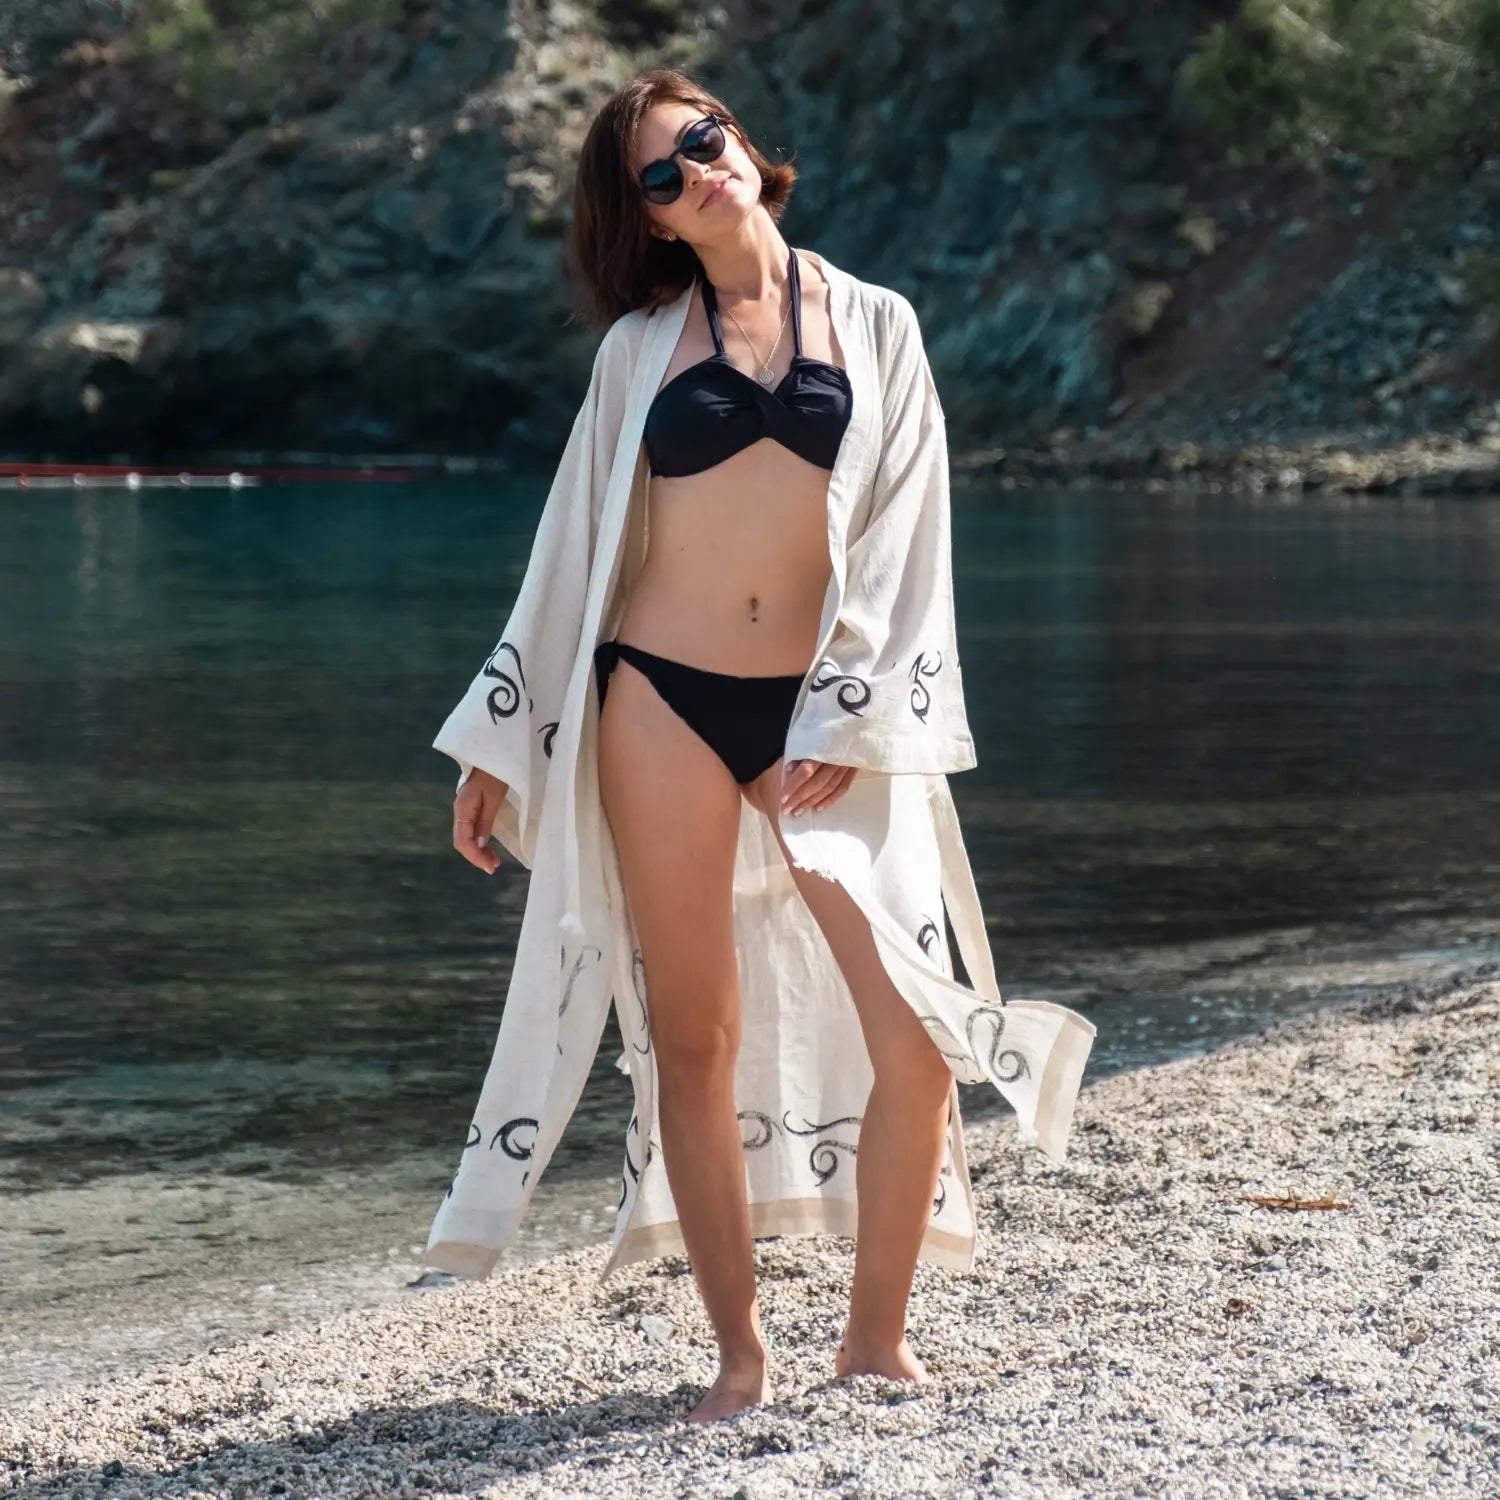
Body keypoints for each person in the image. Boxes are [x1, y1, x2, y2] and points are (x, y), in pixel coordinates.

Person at [432, 67, 1096, 1426]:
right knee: (693, 1035)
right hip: (660, 701)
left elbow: (911, 532)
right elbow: (568, 558)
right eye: (659, 177)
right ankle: (738, 1356)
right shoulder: (637, 353)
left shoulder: (881, 324)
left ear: (744, 144)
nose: (692, 173)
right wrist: (498, 741)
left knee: (914, 1028)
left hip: (822, 713)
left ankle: (876, 1339)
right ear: (651, 220)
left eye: (703, 142)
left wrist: (853, 705)